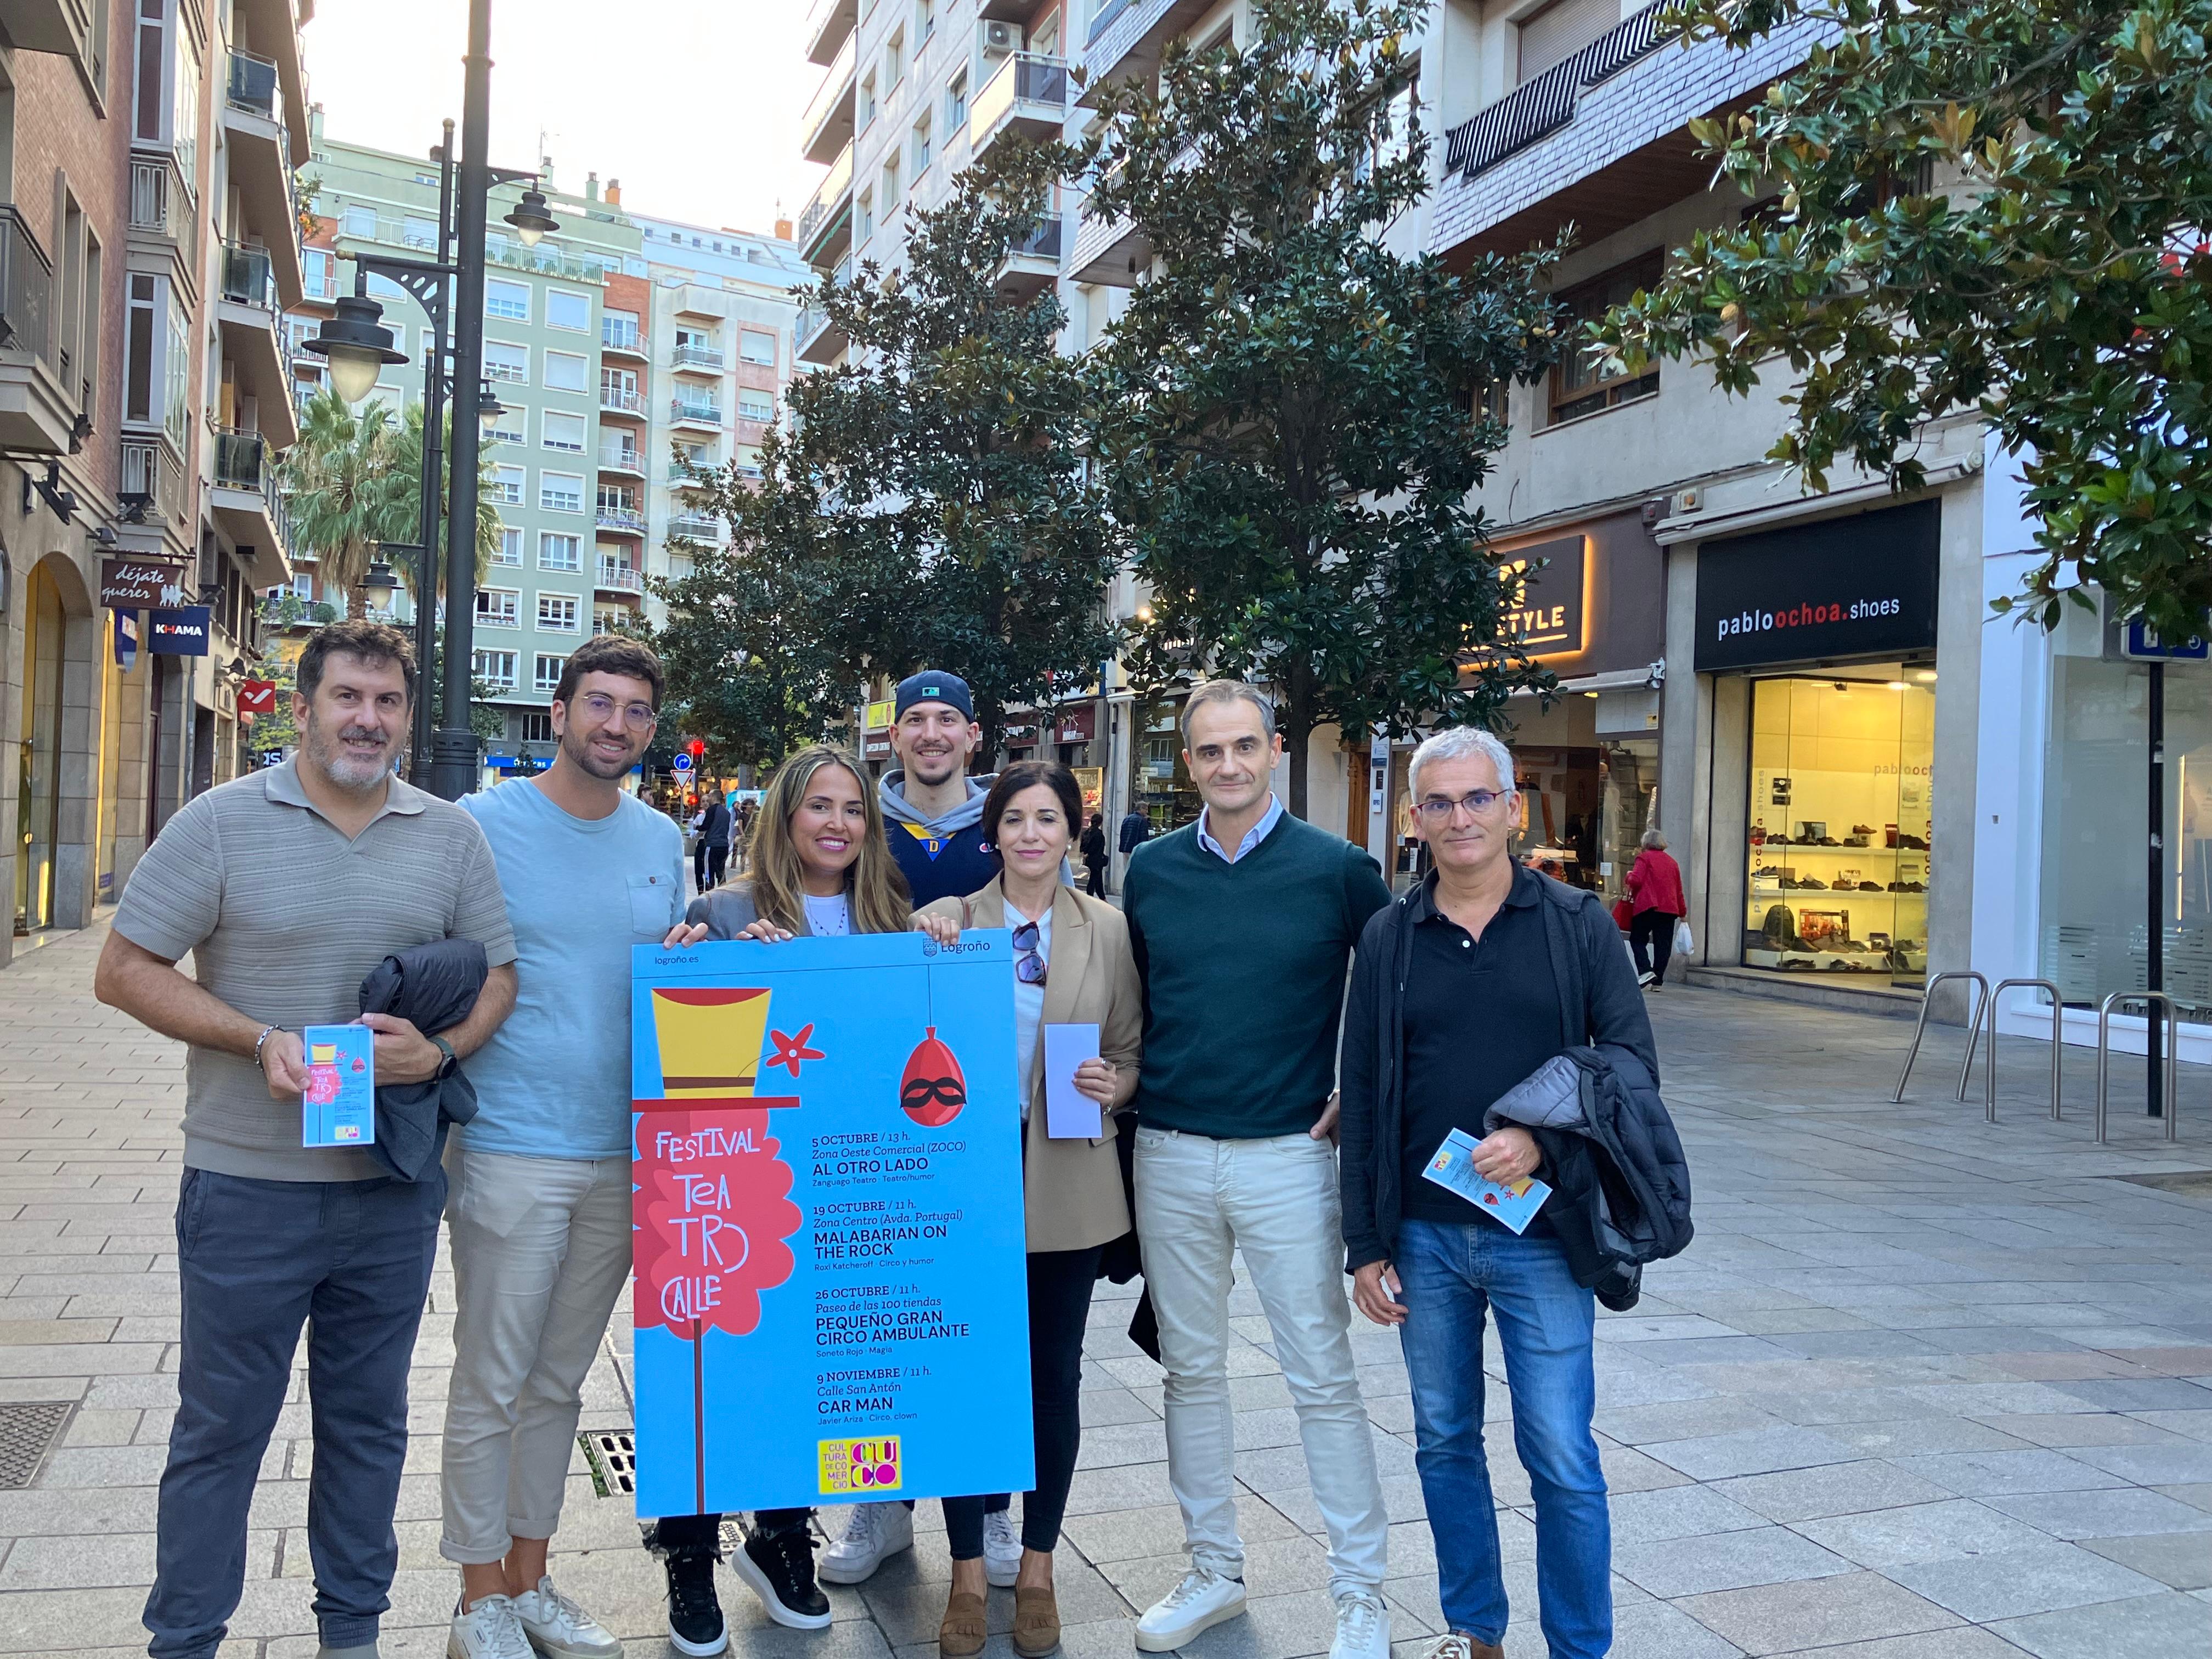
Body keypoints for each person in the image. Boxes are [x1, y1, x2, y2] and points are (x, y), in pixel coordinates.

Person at [93, 620, 520, 1659]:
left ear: (408, 720)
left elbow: (502, 975)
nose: (367, 719)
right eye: (348, 698)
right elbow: (123, 967)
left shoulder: (450, 835)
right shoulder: (222, 822)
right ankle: (185, 1638)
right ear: (305, 707)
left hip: (390, 1186)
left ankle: (352, 1633)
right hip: (247, 1189)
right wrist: (257, 1037)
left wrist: (442, 1049)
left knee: (369, 1427)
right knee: (220, 1433)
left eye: (387, 702)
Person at [1339, 727, 1656, 1659]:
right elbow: (1361, 1095)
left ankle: (1578, 1646)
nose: (1460, 817)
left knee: (1560, 1453)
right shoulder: (1390, 934)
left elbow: (1632, 1066)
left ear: (1515, 808)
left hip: (1542, 1235)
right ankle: (1476, 1631)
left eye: (1478, 798)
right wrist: (1363, 1243)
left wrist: (1541, 1140)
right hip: (1426, 1237)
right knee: (1442, 1440)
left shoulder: (1576, 923)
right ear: (1412, 819)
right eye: (1438, 802)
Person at [1119, 680, 1395, 1659]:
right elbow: (1133, 1001)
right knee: (1190, 1372)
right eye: (1208, 751)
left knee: (1321, 1375)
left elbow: (1403, 985)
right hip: (1171, 1151)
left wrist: (1358, 1091)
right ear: (1186, 761)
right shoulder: (1149, 870)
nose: (1227, 765)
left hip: (1289, 1155)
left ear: (1275, 749)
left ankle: (1360, 1594)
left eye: (1244, 746)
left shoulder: (1338, 868)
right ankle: (1212, 1570)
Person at [441, 637, 701, 1659]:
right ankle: (476, 1598)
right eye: (601, 703)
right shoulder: (483, 823)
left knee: (559, 1381)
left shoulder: (660, 837)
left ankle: (531, 1575)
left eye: (637, 711)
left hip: (623, 1149)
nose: (618, 725)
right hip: (511, 1142)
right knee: (492, 1376)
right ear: (558, 712)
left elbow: (673, 967)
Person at [646, 746, 933, 1650]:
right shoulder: (724, 910)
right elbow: (686, 1041)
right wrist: (704, 958)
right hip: (743, 1178)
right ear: (785, 815)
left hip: (848, 1180)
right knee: (711, 1363)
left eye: (853, 807)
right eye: (819, 806)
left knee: (804, 1371)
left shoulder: (890, 915)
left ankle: (779, 1538)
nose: (837, 822)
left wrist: (945, 953)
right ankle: (688, 1552)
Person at [917, 763, 1143, 1659]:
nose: (1030, 834)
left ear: (1071, 831)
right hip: (963, 1174)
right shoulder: (949, 923)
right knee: (965, 1372)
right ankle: (968, 1570)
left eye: (1047, 818)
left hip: (1069, 1169)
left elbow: (1127, 1048)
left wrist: (1113, 1081)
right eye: (1014, 819)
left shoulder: (1110, 930)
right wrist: (914, 941)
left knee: (1053, 1371)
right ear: (992, 833)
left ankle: (1038, 1565)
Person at [878, 670, 998, 909]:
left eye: (947, 720)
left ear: (971, 736)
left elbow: (1062, 922)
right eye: (916, 720)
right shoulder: (866, 828)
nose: (931, 735)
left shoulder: (1007, 823)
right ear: (895, 737)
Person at [1626, 827, 1686, 990]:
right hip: (1669, 909)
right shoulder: (1672, 863)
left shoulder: (1644, 859)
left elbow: (1636, 881)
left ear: (1646, 842)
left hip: (1648, 906)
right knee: (1663, 946)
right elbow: (1678, 889)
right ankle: (1658, 982)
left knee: (1637, 940)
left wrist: (1629, 875)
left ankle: (1645, 971)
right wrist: (1683, 913)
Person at [696, 792, 732, 895]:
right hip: (724, 845)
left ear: (713, 797)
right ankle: (723, 892)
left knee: (709, 872)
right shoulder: (726, 812)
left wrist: (697, 828)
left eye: (710, 796)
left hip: (712, 844)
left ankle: (709, 893)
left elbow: (706, 826)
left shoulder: (712, 810)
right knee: (721, 871)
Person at [1079, 812, 1110, 898]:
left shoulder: (1086, 832)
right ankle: (1092, 897)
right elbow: (1096, 847)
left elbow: (1083, 845)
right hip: (1096, 860)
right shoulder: (1098, 834)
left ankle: (1102, 898)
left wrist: (1085, 853)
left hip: (1090, 860)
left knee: (1097, 879)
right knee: (1094, 879)